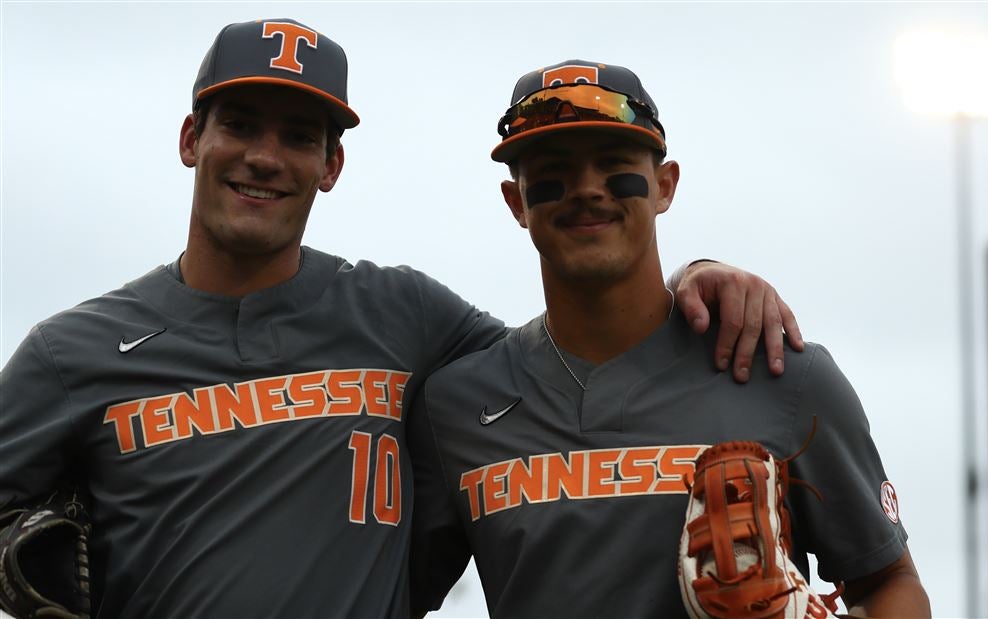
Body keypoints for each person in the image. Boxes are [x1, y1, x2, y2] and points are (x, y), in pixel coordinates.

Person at [0, 22, 802, 618]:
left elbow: (578, 358)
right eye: (240, 125)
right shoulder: (74, 352)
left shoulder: (405, 316)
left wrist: (696, 277)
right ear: (191, 140)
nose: (265, 157)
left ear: (332, 165)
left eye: (299, 136)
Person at [408, 59, 932, 618]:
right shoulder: (459, 406)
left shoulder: (781, 371)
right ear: (517, 202)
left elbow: (889, 583)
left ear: (665, 185)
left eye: (613, 165)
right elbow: (384, 594)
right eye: (554, 169)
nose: (587, 189)